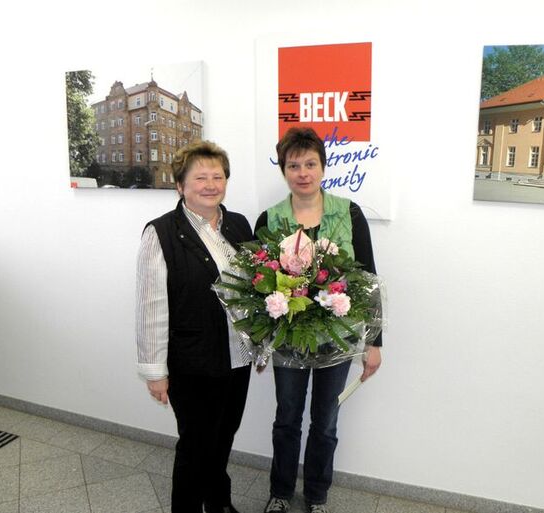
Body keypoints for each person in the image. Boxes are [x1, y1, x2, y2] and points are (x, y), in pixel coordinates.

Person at [256, 127, 382, 513]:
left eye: (310, 164)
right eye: (293, 165)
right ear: (283, 170)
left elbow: (369, 278)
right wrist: (259, 342)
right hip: (288, 338)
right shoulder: (270, 218)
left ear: (323, 167)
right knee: (287, 418)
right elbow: (257, 285)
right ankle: (280, 493)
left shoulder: (349, 213)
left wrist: (374, 343)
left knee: (325, 422)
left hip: (337, 338)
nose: (303, 173)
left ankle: (316, 496)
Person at [136, 140, 253, 513]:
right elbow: (151, 307)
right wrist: (155, 371)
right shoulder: (161, 233)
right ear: (180, 185)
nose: (210, 184)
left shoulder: (239, 225)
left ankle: (218, 502)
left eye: (217, 176)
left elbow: (256, 289)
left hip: (237, 357)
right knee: (195, 445)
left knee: (223, 436)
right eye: (200, 177)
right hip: (192, 361)